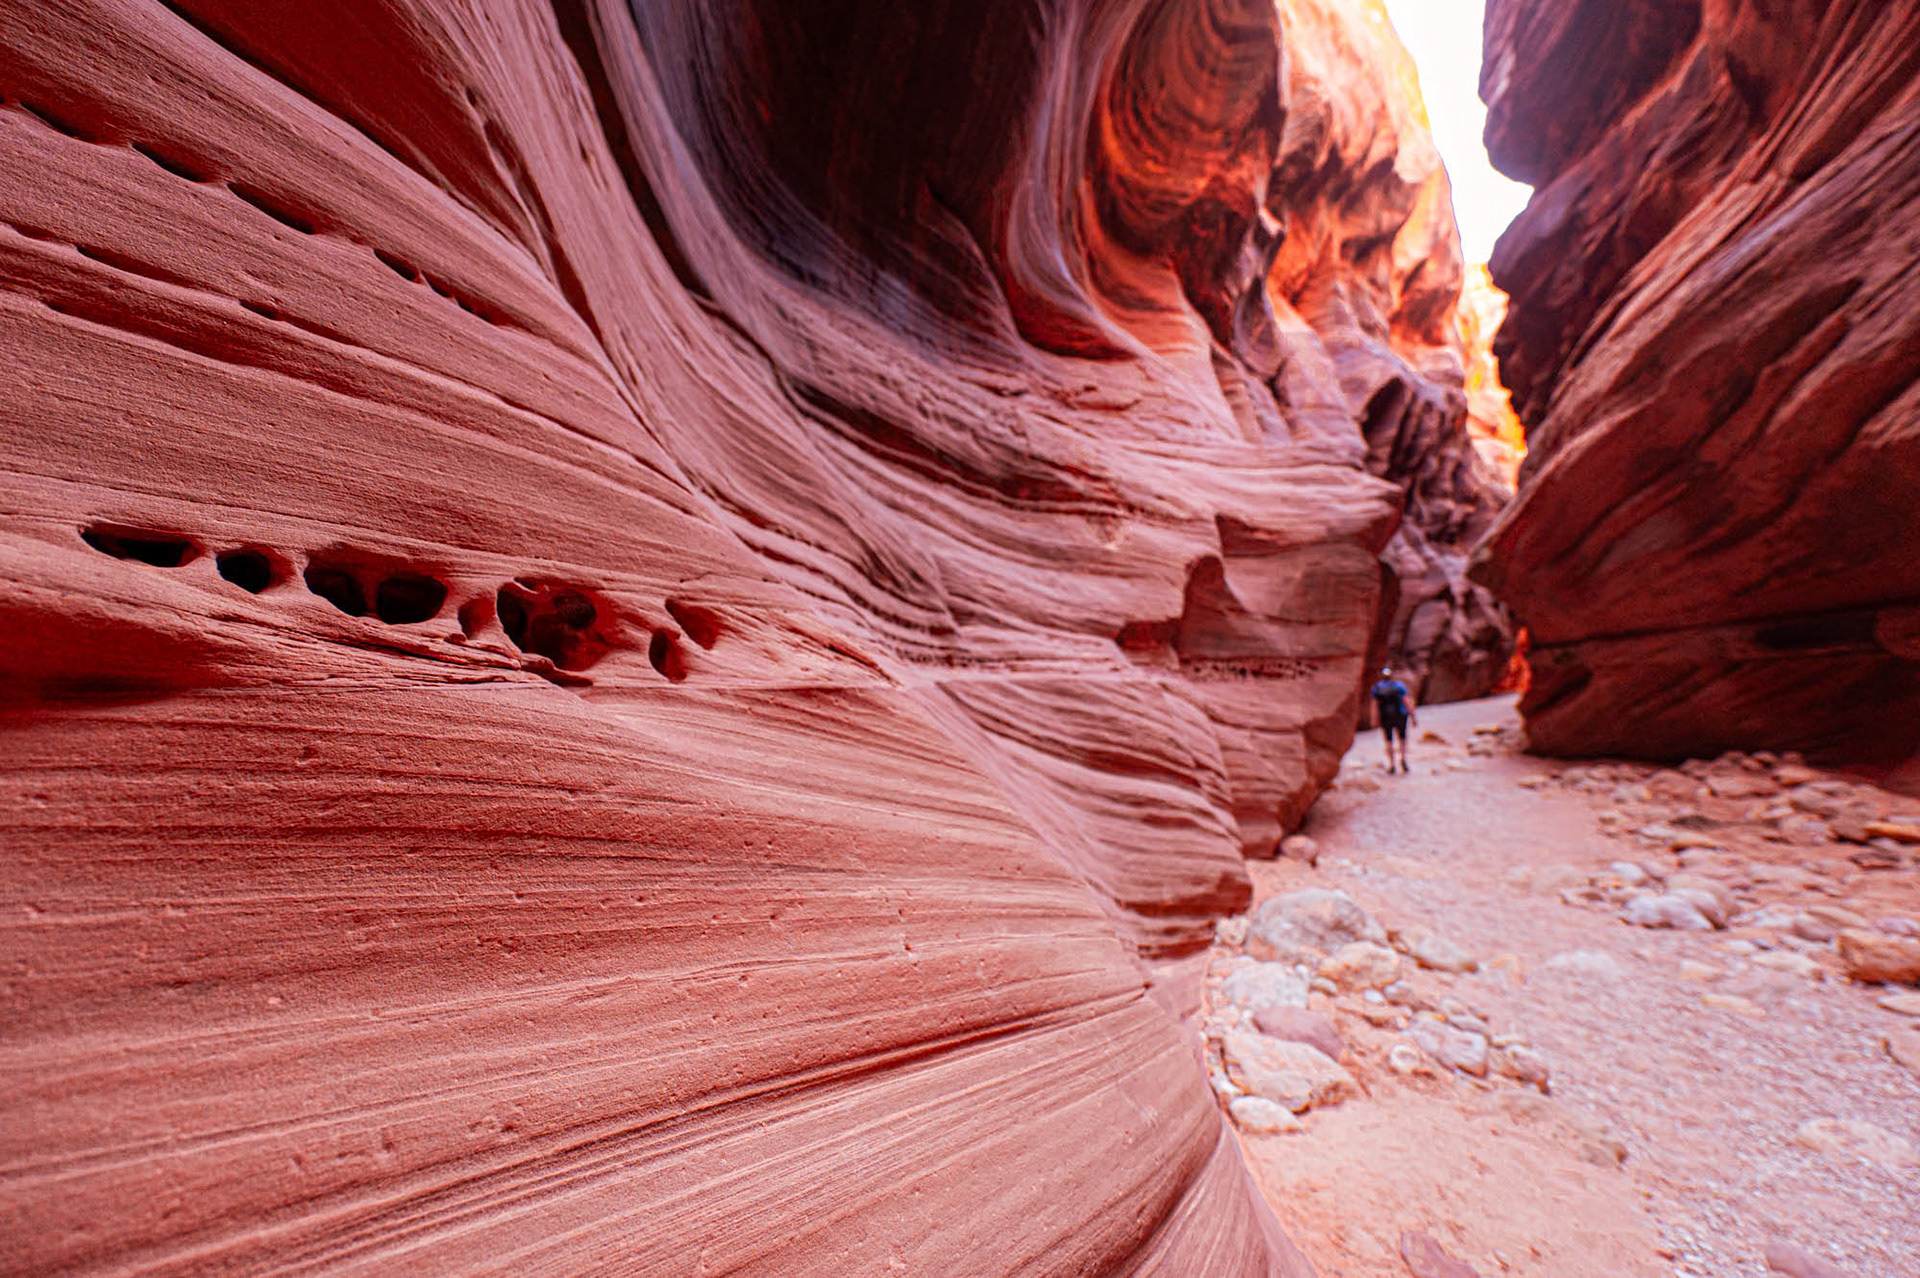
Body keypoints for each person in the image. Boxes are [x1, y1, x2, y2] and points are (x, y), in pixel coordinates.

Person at [1370, 666, 1416, 772]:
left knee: (1389, 741)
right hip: (1401, 715)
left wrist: (1374, 719)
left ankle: (1392, 765)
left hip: (1385, 717)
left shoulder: (1376, 688)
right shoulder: (1399, 686)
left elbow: (1374, 705)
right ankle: (1403, 759)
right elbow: (1406, 701)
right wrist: (1413, 716)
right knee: (1402, 738)